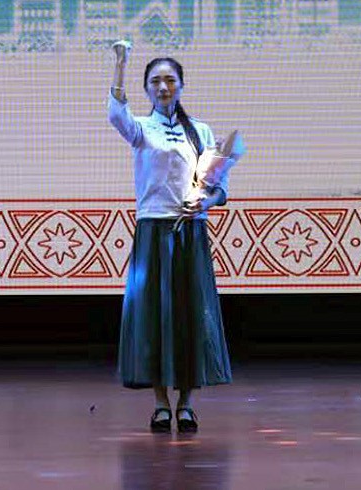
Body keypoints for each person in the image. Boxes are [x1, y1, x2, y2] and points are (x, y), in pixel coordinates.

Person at [107, 40, 238, 433]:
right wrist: (120, 64)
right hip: (153, 231)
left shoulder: (200, 130)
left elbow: (219, 188)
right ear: (146, 88)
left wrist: (204, 203)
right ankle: (161, 404)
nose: (163, 87)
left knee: (188, 316)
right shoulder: (140, 129)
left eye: (170, 80)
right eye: (155, 81)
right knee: (155, 316)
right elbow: (116, 114)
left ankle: (187, 404)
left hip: (189, 234)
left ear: (181, 85)